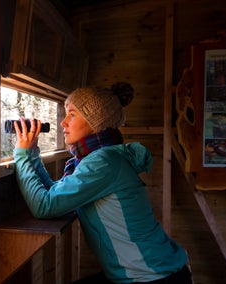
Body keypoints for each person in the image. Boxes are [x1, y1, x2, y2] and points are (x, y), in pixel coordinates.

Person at [12, 82, 192, 284]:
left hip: (153, 277)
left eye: (72, 114)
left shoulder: (102, 163)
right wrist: (32, 153)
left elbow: (44, 206)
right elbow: (55, 194)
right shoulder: (96, 159)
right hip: (149, 273)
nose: (63, 123)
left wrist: (22, 154)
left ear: (95, 122)